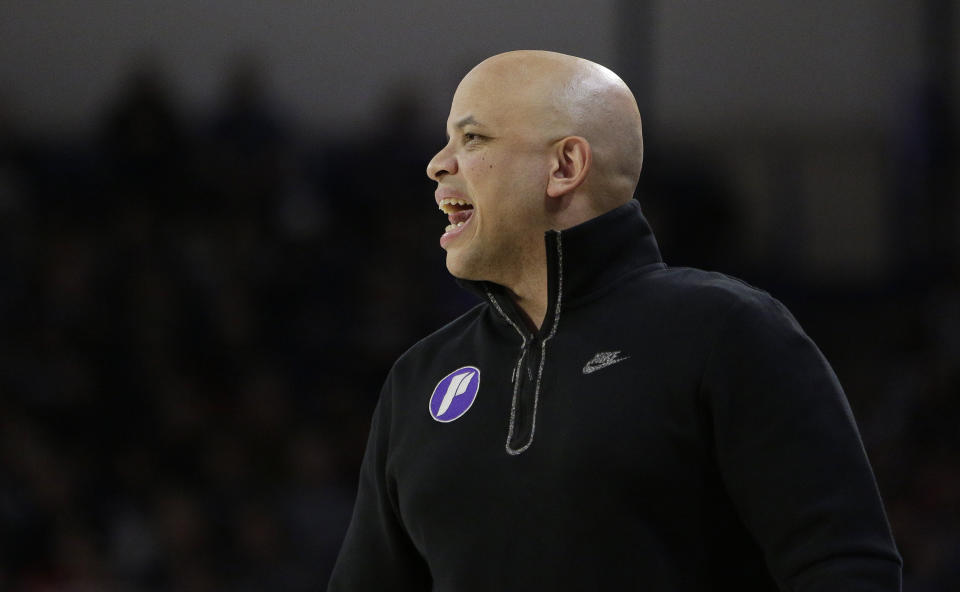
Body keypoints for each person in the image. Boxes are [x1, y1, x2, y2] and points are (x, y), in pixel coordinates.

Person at [328, 50, 901, 590]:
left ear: (565, 165)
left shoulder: (725, 331)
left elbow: (844, 566)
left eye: (472, 137)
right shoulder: (419, 377)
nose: (437, 164)